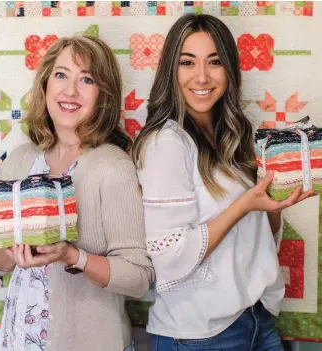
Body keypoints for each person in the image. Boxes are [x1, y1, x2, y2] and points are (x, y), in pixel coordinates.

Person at [132, 14, 315, 351]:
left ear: (229, 70)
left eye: (214, 62)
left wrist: (274, 203)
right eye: (188, 62)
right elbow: (168, 257)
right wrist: (244, 205)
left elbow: (257, 238)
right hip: (198, 335)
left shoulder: (235, 134)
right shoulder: (166, 143)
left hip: (256, 321)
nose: (202, 76)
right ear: (171, 70)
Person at [0, 35, 154, 351]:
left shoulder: (112, 166)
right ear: (46, 84)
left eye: (86, 79)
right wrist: (7, 251)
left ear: (103, 94)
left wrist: (71, 256)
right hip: (18, 342)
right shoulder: (21, 159)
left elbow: (139, 278)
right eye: (61, 74)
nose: (70, 90)